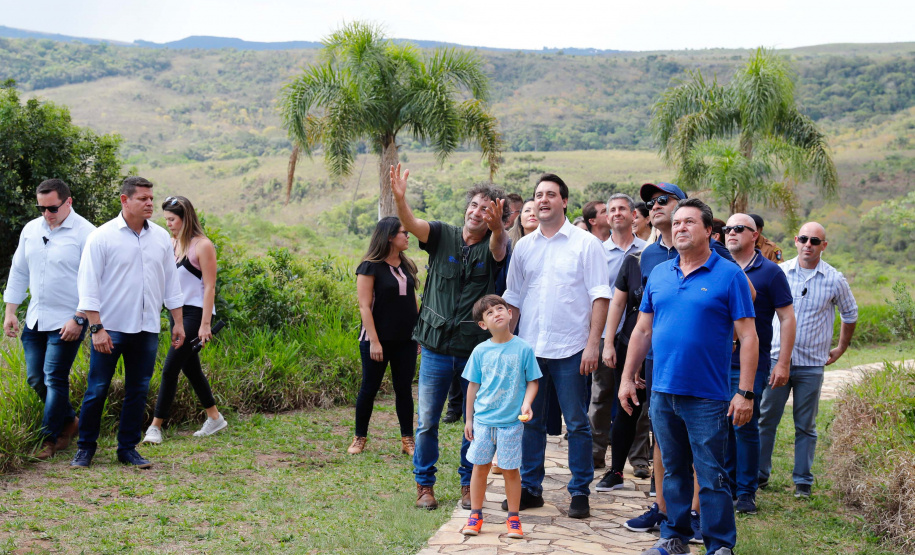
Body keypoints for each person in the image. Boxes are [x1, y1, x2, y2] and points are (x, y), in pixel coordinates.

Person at [620, 198, 758, 555]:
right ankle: (674, 537)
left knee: (711, 475)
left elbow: (749, 337)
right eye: (677, 222)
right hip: (663, 390)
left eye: (690, 222)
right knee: (673, 470)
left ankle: (720, 545)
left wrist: (744, 392)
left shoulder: (729, 276)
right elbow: (642, 331)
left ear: (710, 232)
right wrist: (627, 376)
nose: (680, 227)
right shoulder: (661, 274)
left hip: (707, 396)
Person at [390, 164, 509, 511]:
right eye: (474, 205)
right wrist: (401, 199)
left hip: (474, 352)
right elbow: (413, 225)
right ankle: (424, 486)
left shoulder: (495, 246)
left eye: (486, 209)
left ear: (495, 216)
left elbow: (500, 246)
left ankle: (467, 484)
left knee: (475, 423)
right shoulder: (443, 235)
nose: (477, 212)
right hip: (435, 349)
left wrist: (499, 227)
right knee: (427, 421)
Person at [503, 173, 611, 519]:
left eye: (551, 194)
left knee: (577, 422)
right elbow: (514, 299)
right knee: (529, 419)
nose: (543, 200)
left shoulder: (585, 244)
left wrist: (594, 344)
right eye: (538, 195)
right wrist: (507, 344)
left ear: (565, 201)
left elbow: (600, 296)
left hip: (572, 349)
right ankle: (531, 488)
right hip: (530, 347)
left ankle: (579, 490)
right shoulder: (523, 246)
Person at [70, 177, 185, 469]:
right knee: (97, 388)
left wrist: (178, 323)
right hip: (110, 328)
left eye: (151, 198)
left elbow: (171, 282)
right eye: (143, 198)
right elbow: (88, 286)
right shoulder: (102, 236)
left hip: (147, 328)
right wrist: (96, 328)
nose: (150, 203)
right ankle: (85, 448)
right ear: (125, 200)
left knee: (139, 389)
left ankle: (127, 449)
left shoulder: (160, 237)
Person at [758, 222, 857, 498]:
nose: (808, 245)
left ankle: (803, 480)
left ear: (823, 246)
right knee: (766, 419)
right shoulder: (779, 273)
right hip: (778, 359)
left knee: (806, 425)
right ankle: (759, 475)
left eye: (815, 241)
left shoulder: (835, 279)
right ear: (795, 241)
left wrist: (840, 348)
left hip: (812, 363)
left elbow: (850, 314)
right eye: (804, 239)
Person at [3, 179, 95, 460]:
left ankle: (50, 439)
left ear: (69, 201)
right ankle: (70, 421)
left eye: (52, 207)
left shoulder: (86, 233)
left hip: (68, 320)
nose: (46, 213)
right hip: (35, 318)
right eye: (41, 208)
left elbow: (95, 280)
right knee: (35, 378)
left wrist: (79, 318)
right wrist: (10, 311)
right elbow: (18, 271)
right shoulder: (31, 229)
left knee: (54, 378)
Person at [722, 214, 796, 515]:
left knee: (745, 425)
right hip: (716, 363)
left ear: (756, 235)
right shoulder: (718, 268)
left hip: (751, 363)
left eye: (739, 229)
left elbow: (787, 317)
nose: (731, 233)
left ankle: (747, 492)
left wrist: (784, 363)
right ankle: (726, 486)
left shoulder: (770, 272)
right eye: (727, 229)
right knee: (721, 427)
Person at [142, 196, 226, 445]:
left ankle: (155, 427)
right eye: (166, 219)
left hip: (195, 313)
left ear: (185, 218)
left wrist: (205, 324)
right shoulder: (171, 244)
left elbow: (210, 287)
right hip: (176, 313)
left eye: (172, 219)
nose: (168, 223)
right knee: (190, 367)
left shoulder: (203, 245)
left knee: (170, 369)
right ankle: (214, 417)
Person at [460, 295, 540, 539]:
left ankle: (513, 519)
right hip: (483, 423)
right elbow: (472, 387)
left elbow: (532, 381)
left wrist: (526, 404)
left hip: (511, 424)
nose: (497, 313)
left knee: (510, 470)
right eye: (490, 312)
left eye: (500, 308)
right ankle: (475, 515)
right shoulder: (480, 351)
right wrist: (469, 419)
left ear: (510, 313)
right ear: (483, 325)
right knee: (480, 468)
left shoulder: (523, 348)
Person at [344, 216, 419, 456]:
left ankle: (408, 439)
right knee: (369, 388)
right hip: (376, 340)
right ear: (389, 236)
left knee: (404, 389)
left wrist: (417, 334)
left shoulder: (406, 265)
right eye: (403, 233)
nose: (407, 236)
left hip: (405, 340)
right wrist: (374, 341)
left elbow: (412, 302)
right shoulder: (369, 266)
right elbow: (364, 307)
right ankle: (359, 437)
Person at [590, 193, 646, 471]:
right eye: (611, 209)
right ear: (606, 216)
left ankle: (637, 459)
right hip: (604, 337)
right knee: (601, 395)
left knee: (638, 398)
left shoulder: (648, 252)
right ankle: (595, 453)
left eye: (622, 208)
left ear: (633, 214)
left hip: (640, 337)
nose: (616, 213)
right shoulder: (597, 251)